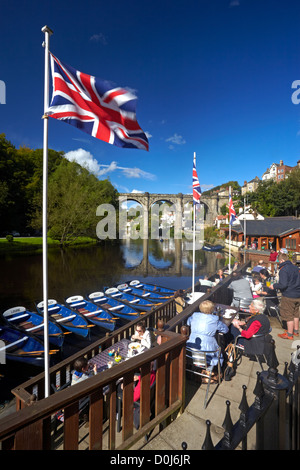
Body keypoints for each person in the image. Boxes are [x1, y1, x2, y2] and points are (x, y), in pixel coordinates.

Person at [230, 298, 277, 366]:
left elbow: (247, 335)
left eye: (251, 306)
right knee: (232, 328)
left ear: (256, 310)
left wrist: (239, 327)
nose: (249, 306)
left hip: (252, 343)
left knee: (230, 331)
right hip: (260, 339)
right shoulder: (262, 316)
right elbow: (251, 322)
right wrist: (242, 322)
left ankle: (228, 354)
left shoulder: (257, 321)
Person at [186, 300, 229, 369]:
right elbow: (226, 330)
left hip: (191, 351)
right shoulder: (215, 320)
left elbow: (188, 322)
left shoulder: (194, 316)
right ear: (211, 310)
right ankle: (212, 370)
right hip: (207, 355)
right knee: (219, 351)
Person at [270, 252, 300, 339]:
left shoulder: (283, 269)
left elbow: (283, 285)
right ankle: (296, 331)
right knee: (296, 314)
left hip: (289, 295)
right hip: (298, 294)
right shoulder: (296, 268)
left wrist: (274, 286)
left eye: (279, 261)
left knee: (288, 314)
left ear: (282, 260)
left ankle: (289, 334)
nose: (279, 263)